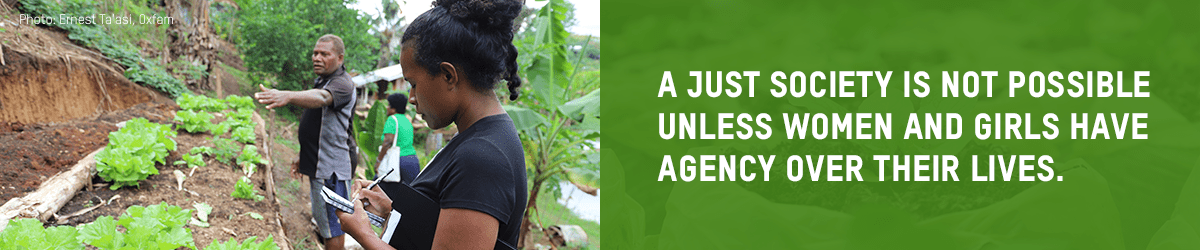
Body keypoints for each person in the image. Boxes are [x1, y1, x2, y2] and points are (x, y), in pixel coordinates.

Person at [335, 0, 527, 249]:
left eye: (413, 83)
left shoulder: (482, 157)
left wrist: (364, 234)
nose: (412, 98)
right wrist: (391, 211)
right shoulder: (481, 137)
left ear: (448, 75)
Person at [254, 34, 357, 250]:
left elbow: (322, 98)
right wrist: (303, 155)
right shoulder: (324, 80)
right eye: (315, 53)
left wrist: (288, 96)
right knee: (326, 224)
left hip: (332, 168)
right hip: (320, 163)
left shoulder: (342, 83)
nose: (317, 58)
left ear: (339, 58)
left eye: (324, 54)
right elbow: (318, 124)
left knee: (333, 227)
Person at [374, 93, 419, 184]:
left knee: (377, 188)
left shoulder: (392, 119)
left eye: (389, 105)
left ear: (393, 108)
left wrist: (378, 161)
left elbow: (388, 142)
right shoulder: (407, 120)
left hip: (398, 161)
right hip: (412, 160)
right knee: (409, 192)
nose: (387, 107)